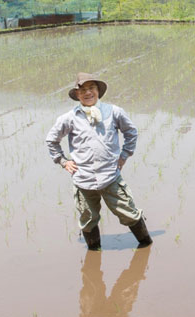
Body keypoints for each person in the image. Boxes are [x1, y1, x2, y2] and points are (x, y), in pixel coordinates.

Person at [46, 72, 151, 251]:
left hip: (110, 177)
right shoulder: (70, 118)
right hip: (83, 180)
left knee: (130, 214)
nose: (88, 93)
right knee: (88, 219)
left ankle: (147, 246)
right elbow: (52, 140)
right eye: (83, 90)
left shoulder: (113, 112)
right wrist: (63, 161)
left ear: (98, 91)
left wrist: (124, 155)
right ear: (77, 95)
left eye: (91, 88)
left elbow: (131, 132)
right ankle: (94, 254)